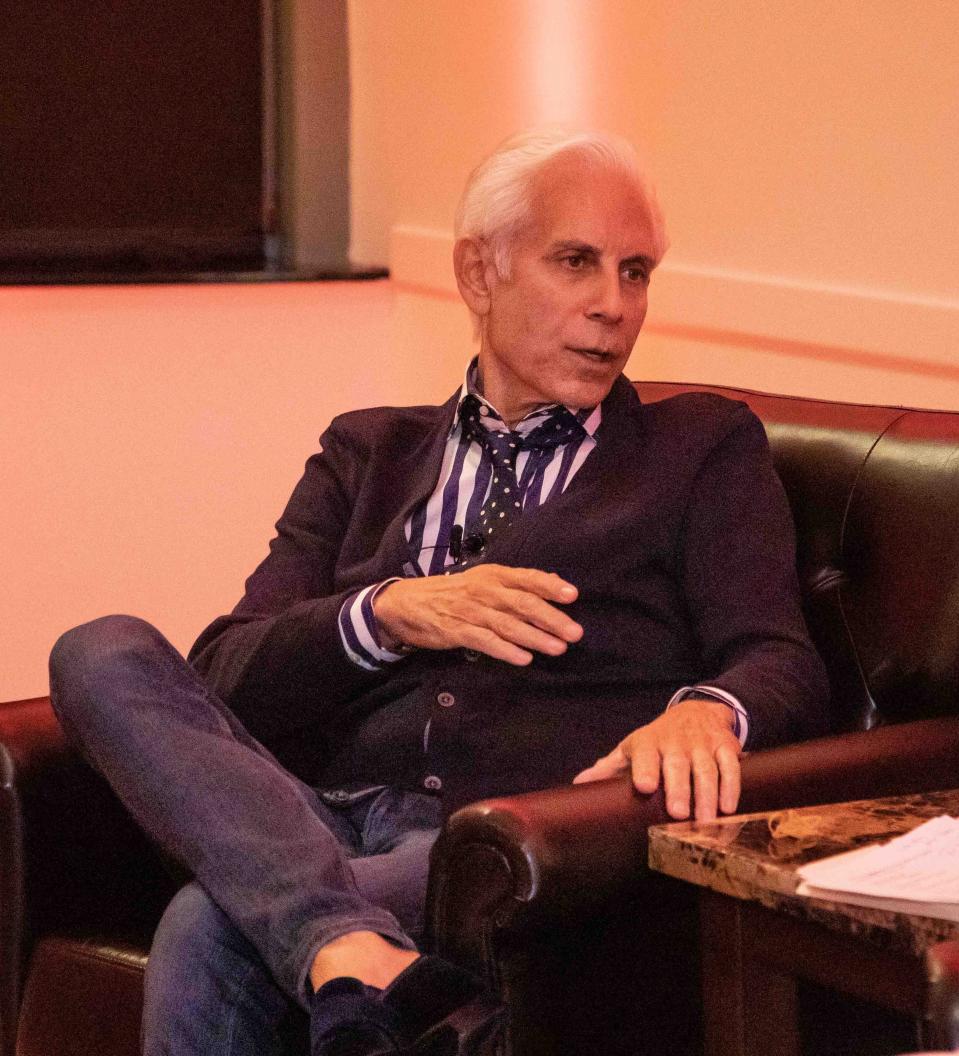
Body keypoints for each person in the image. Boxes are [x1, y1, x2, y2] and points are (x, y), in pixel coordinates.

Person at [48, 128, 830, 1056]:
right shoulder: (367, 451)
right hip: (309, 807)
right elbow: (224, 675)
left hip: (491, 840)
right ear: (477, 274)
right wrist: (384, 614)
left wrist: (709, 710)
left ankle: (330, 937)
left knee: (209, 926)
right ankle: (343, 938)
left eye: (636, 272)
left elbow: (777, 654)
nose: (614, 306)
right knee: (96, 650)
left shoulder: (698, 448)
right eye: (576, 262)